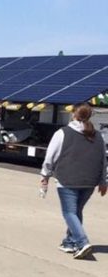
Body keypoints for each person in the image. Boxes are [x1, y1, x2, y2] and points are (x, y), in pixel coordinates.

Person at [40, 104, 107, 259]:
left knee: (69, 212)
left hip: (68, 179)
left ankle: (82, 242)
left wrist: (45, 175)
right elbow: (103, 160)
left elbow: (51, 156)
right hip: (90, 181)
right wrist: (103, 181)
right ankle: (70, 242)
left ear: (73, 115)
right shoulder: (98, 136)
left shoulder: (62, 133)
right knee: (76, 211)